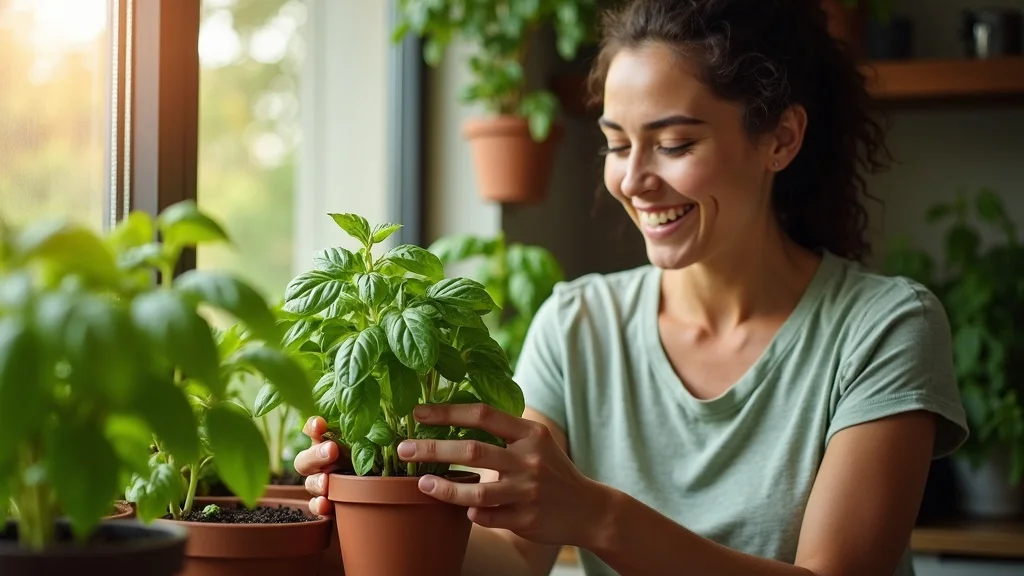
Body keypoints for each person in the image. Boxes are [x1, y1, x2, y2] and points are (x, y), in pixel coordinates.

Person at [294, 0, 970, 574]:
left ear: (780, 139)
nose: (633, 179)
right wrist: (365, 502)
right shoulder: (577, 322)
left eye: (673, 144)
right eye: (618, 143)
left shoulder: (884, 327)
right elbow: (510, 553)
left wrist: (598, 515)